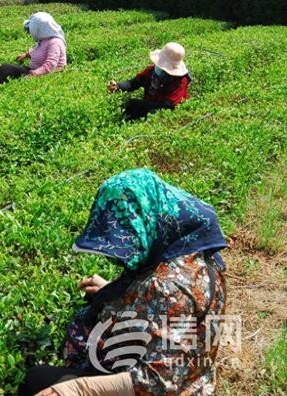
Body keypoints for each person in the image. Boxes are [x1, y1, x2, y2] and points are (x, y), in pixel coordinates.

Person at [19, 168, 227, 396]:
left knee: (37, 381)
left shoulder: (167, 286)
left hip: (172, 387)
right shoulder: (192, 249)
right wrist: (120, 291)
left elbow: (156, 383)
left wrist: (78, 389)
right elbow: (174, 314)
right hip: (194, 374)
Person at [107, 42, 191, 120]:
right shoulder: (151, 71)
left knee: (134, 106)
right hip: (151, 103)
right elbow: (134, 83)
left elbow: (168, 105)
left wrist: (141, 105)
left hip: (168, 113)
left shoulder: (181, 80)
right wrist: (118, 86)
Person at [0, 12, 67, 85]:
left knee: (6, 69)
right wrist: (26, 55)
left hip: (44, 74)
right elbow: (40, 51)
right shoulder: (43, 39)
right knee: (5, 68)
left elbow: (51, 64)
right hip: (34, 70)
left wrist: (33, 74)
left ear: (40, 28)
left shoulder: (55, 42)